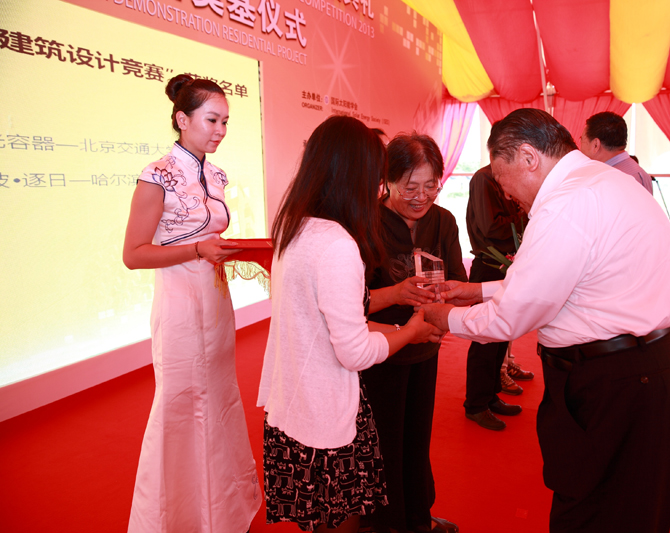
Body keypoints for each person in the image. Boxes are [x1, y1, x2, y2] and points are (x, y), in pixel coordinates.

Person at [423, 109, 670, 532]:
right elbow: (566, 279)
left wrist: (444, 317)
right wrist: (475, 291)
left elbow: (512, 316)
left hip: (617, 383)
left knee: (595, 514)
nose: (506, 193)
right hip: (649, 370)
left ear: (528, 157)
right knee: (634, 510)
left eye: (502, 178)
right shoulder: (601, 181)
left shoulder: (566, 203)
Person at [257, 117, 441, 533]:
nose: (379, 189)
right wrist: (411, 331)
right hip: (325, 413)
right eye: (378, 178)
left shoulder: (295, 226)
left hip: (292, 403)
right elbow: (354, 350)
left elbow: (326, 316)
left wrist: (396, 302)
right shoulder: (338, 245)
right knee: (341, 521)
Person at [123, 74, 260, 532]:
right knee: (180, 407)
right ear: (182, 119)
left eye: (225, 121)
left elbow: (208, 237)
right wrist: (198, 249)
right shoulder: (156, 174)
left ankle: (222, 513)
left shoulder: (216, 175)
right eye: (211, 120)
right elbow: (134, 254)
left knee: (219, 401)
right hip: (179, 307)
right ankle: (174, 519)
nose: (220, 130)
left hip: (216, 302)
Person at [361, 132, 465, 533]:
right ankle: (387, 523)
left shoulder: (444, 220)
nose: (421, 197)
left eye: (430, 186)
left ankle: (418, 517)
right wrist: (397, 296)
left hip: (426, 347)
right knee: (384, 441)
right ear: (387, 181)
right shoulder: (366, 222)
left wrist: (445, 299)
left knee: (417, 438)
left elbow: (457, 279)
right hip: (380, 351)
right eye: (410, 187)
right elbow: (351, 301)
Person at [462, 165, 529, 431]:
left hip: (505, 264)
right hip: (489, 264)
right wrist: (528, 215)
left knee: (500, 335)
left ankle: (490, 396)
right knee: (485, 337)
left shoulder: (507, 176)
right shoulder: (484, 178)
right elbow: (492, 227)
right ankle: (476, 404)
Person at [579, 111, 653, 195]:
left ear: (595, 145)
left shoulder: (608, 180)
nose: (580, 148)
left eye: (581, 139)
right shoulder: (641, 174)